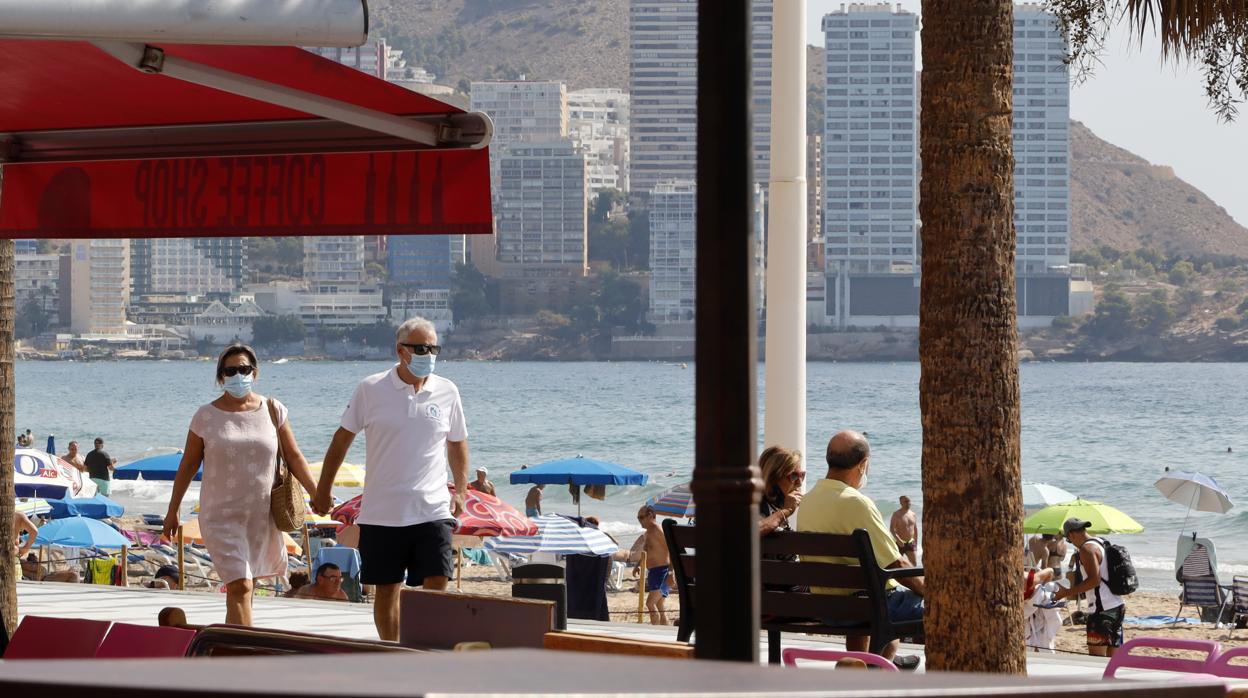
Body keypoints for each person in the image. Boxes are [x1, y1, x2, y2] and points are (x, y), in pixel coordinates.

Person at [310, 317, 470, 642]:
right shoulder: (371, 389)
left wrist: (462, 490)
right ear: (401, 350)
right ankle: (393, 650)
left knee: (437, 581)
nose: (430, 354)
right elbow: (341, 441)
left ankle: (425, 646)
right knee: (386, 590)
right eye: (422, 348)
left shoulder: (447, 391)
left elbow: (457, 443)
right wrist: (323, 490)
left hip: (433, 509)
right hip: (383, 512)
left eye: (434, 348)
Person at [163, 344, 318, 626]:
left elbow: (294, 456)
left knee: (246, 589)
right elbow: (188, 466)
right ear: (221, 377)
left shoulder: (273, 410)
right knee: (240, 586)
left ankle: (230, 649)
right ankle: (244, 653)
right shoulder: (205, 416)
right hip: (220, 516)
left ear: (254, 373)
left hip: (260, 517)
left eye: (244, 369)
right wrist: (173, 510)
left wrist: (317, 492)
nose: (238, 375)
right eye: (231, 370)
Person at [797, 430, 924, 662]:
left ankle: (868, 666)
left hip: (828, 607)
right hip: (867, 606)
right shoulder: (857, 502)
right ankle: (880, 671)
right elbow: (897, 564)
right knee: (935, 607)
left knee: (869, 599)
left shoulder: (808, 501)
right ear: (863, 464)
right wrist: (931, 591)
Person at [1053, 518, 1125, 657]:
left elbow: (1094, 581)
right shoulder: (1102, 542)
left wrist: (1066, 593)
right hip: (1117, 606)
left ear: (1071, 534)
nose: (1071, 542)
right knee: (1113, 661)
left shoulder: (1086, 549)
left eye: (1069, 540)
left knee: (1097, 661)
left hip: (1101, 610)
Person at [631, 505, 673, 626]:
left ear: (650, 515)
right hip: (654, 572)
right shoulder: (648, 533)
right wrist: (638, 564)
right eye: (638, 518)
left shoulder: (658, 529)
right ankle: (666, 634)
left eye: (641, 517)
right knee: (660, 606)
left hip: (663, 571)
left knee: (650, 603)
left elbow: (672, 550)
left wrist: (671, 572)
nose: (639, 521)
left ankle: (655, 631)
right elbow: (647, 551)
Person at [758, 445, 804, 536]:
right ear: (772, 479)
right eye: (794, 476)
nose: (800, 483)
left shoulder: (775, 506)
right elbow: (750, 532)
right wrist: (786, 511)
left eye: (802, 475)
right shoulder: (752, 504)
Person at [890, 495, 920, 566]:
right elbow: (892, 529)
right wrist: (898, 540)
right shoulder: (896, 514)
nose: (908, 503)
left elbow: (915, 529)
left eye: (909, 501)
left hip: (910, 542)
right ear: (901, 503)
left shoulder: (913, 514)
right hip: (899, 543)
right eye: (905, 501)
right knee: (898, 565)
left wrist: (916, 542)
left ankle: (913, 576)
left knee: (914, 563)